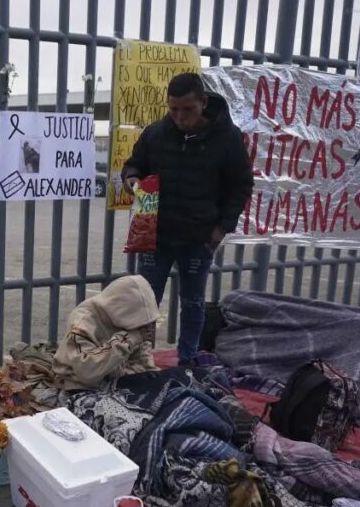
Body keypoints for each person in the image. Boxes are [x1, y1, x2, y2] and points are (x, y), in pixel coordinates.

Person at [122, 72, 253, 365]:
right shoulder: (155, 134)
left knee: (192, 302)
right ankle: (139, 362)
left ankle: (188, 361)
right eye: (174, 109)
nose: (180, 116)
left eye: (188, 109)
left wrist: (221, 228)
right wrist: (132, 180)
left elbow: (242, 185)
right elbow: (134, 165)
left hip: (198, 238)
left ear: (203, 103)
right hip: (156, 235)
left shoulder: (228, 138)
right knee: (144, 302)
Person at [53, 275, 161, 391]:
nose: (143, 327)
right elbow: (87, 373)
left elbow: (141, 356)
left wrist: (153, 376)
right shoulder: (84, 321)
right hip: (82, 384)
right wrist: (128, 339)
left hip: (120, 378)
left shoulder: (135, 321)